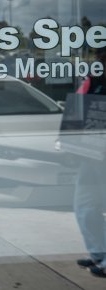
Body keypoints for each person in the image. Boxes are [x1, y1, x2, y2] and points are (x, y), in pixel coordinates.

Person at [73, 48, 106, 278]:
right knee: (84, 206)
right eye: (98, 56)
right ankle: (99, 253)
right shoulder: (94, 80)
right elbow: (78, 108)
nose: (98, 59)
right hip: (92, 154)